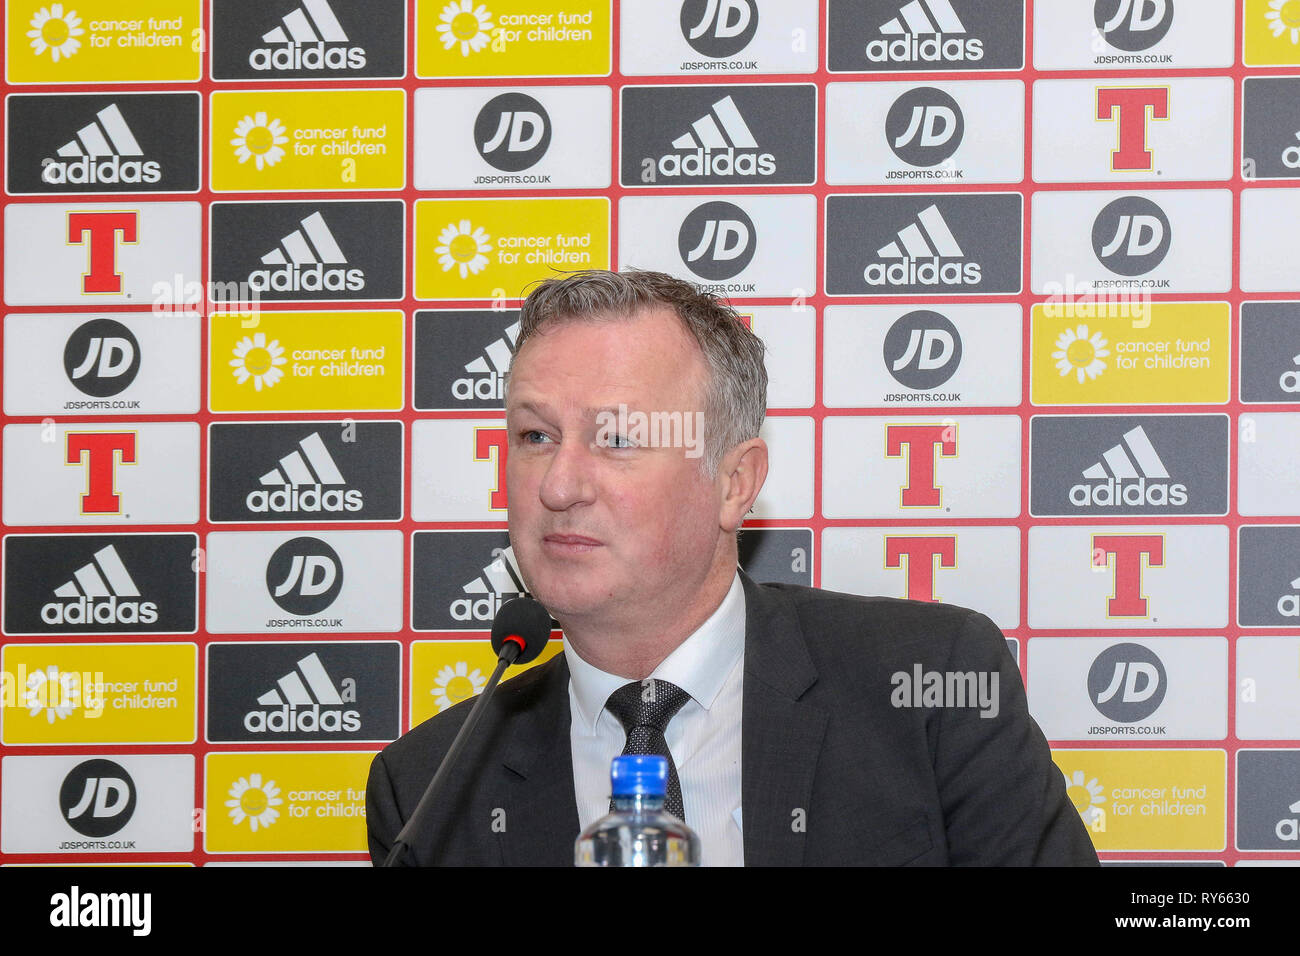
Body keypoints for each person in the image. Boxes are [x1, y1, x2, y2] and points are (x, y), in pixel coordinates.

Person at [367, 269, 1098, 866]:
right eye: (535, 435)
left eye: (616, 436)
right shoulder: (430, 791)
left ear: (733, 482)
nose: (558, 485)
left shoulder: (931, 686)